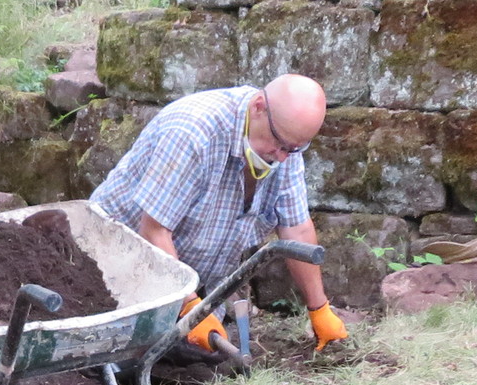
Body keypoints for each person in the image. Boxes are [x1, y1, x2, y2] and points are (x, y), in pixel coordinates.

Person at [90, 73, 347, 366]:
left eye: (295, 149)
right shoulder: (193, 133)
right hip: (113, 273)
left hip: (184, 282)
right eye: (281, 144)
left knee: (203, 355)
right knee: (128, 360)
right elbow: (154, 230)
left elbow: (297, 229)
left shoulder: (282, 143)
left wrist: (319, 308)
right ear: (258, 107)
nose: (283, 157)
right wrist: (190, 308)